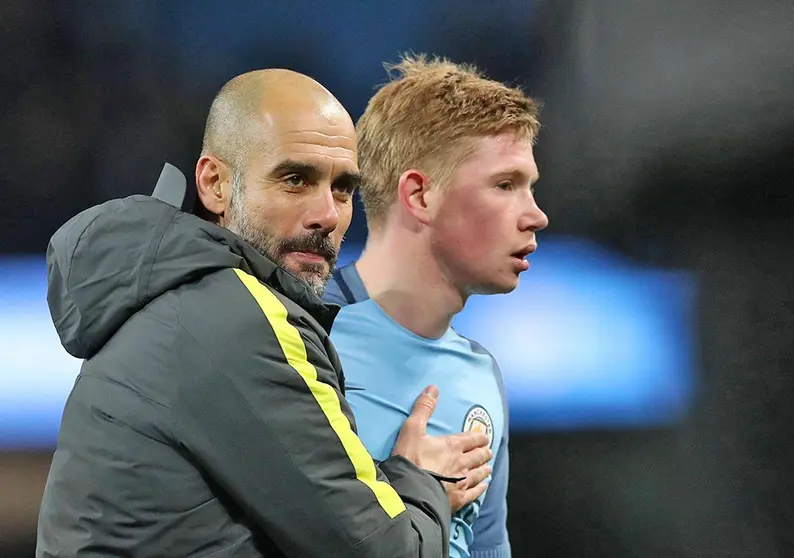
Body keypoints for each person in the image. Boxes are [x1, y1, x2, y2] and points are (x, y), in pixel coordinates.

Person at [36, 69, 493, 558]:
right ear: (214, 184)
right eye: (295, 180)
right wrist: (420, 480)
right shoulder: (240, 319)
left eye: (342, 189)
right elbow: (386, 551)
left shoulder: (170, 299)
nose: (328, 215)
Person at [324, 55, 549, 558]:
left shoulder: (482, 374)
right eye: (505, 185)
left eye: (530, 187)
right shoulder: (300, 336)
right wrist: (407, 489)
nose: (536, 215)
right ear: (420, 195)